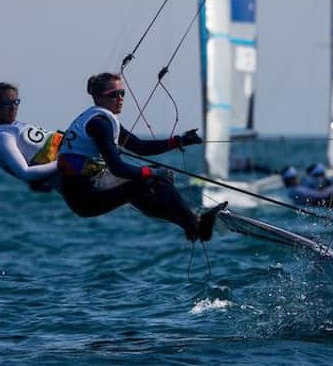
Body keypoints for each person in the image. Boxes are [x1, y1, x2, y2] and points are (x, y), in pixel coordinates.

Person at [57, 72, 226, 242]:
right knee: (152, 179)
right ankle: (194, 224)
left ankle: (192, 225)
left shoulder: (100, 118)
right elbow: (118, 168)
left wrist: (178, 141)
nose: (120, 98)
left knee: (139, 188)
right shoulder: (99, 124)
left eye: (122, 93)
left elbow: (139, 146)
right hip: (86, 198)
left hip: (89, 188)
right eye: (114, 95)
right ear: (98, 97)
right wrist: (153, 174)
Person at [0, 82, 63, 193]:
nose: (13, 108)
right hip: (78, 174)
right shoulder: (2, 137)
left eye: (16, 102)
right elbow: (25, 172)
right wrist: (61, 162)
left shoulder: (15, 126)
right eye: (7, 103)